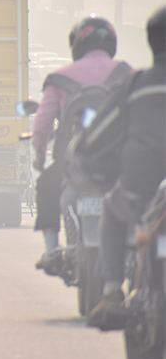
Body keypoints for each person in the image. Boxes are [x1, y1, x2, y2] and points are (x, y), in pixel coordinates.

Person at [85, 5, 166, 328]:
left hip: (139, 193)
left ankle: (111, 290)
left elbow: (97, 137)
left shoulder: (135, 85)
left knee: (111, 208)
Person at [31, 16, 130, 270]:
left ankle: (52, 249)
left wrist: (40, 160)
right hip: (118, 162)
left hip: (71, 164)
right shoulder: (126, 74)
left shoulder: (59, 79)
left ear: (76, 44)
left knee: (46, 185)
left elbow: (41, 127)